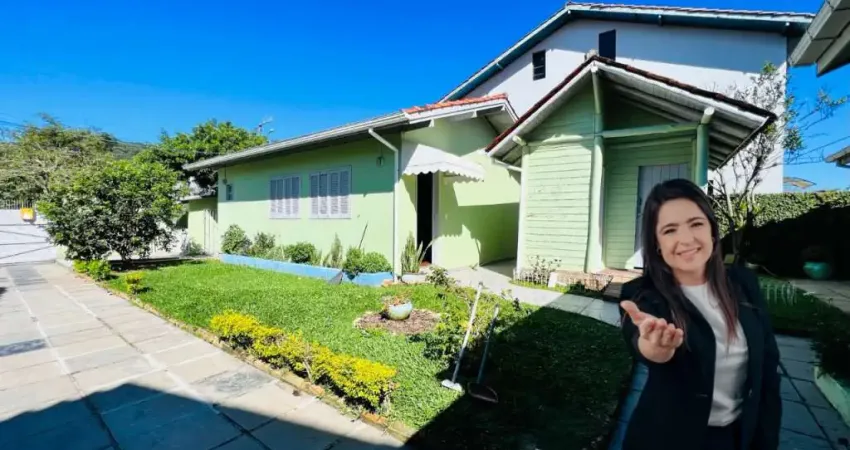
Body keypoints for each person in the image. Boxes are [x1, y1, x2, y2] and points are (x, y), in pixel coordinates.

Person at [618, 178, 781, 450]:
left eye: (696, 224)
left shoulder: (744, 283)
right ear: (656, 243)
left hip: (737, 438)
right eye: (670, 230)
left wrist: (766, 440)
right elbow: (640, 340)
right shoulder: (641, 294)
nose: (686, 239)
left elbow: (768, 370)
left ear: (712, 231)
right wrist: (655, 347)